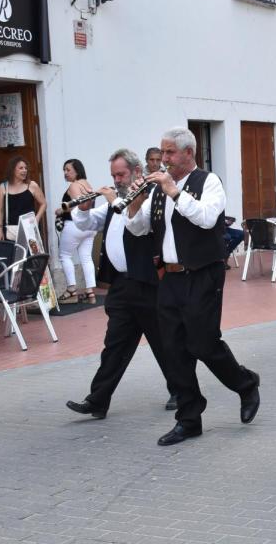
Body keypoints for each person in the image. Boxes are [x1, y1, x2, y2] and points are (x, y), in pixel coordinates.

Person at [126, 127, 261, 446]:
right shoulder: (158, 188)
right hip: (170, 276)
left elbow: (205, 218)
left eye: (170, 153)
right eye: (162, 152)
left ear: (189, 153)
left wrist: (173, 190)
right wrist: (135, 201)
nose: (163, 159)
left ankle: (245, 384)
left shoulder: (208, 182)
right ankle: (189, 418)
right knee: (172, 347)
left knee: (203, 343)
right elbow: (137, 227)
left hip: (203, 273)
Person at [65, 149, 179, 417]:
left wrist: (115, 198)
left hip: (148, 282)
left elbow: (137, 222)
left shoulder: (150, 197)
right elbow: (88, 223)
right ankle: (98, 399)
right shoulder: (114, 200)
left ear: (137, 172)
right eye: (113, 175)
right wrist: (83, 208)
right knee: (115, 344)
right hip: (122, 285)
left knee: (163, 341)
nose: (116, 179)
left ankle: (180, 390)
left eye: (121, 174)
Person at [54, 159, 98, 304]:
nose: (65, 173)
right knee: (86, 257)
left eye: (68, 170)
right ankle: (90, 292)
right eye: (64, 170)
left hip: (74, 225)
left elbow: (81, 205)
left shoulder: (74, 185)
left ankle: (71, 290)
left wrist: (62, 209)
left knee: (64, 256)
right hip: (89, 226)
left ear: (77, 171)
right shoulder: (87, 184)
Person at [0, 156, 46, 241]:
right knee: (12, 254)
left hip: (30, 227)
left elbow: (43, 203)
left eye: (25, 168)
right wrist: (0, 230)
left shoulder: (32, 185)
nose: (24, 170)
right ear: (12, 170)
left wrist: (37, 218)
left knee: (32, 254)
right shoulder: (3, 187)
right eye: (21, 168)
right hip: (10, 230)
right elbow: (0, 210)